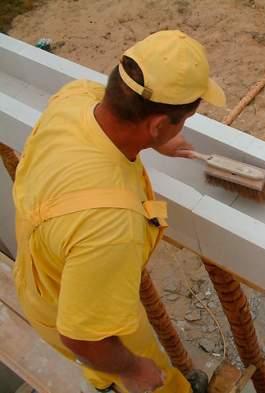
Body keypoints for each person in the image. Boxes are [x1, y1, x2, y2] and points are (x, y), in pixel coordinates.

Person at [12, 30, 225, 393]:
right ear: (158, 123)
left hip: (40, 277)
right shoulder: (111, 224)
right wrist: (130, 369)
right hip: (73, 322)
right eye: (181, 120)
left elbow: (113, 110)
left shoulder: (75, 97)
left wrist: (157, 142)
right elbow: (83, 338)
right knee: (146, 373)